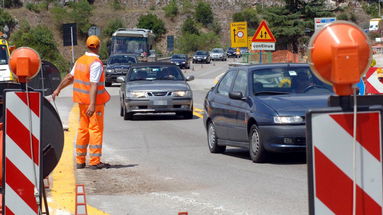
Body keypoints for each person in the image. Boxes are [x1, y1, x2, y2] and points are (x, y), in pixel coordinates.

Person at [52, 35, 111, 170]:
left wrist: (58, 89)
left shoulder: (80, 60)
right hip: (93, 104)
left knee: (83, 129)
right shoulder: (95, 63)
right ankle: (95, 161)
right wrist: (92, 104)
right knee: (95, 129)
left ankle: (80, 160)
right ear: (98, 46)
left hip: (81, 102)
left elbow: (69, 77)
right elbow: (94, 85)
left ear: (87, 45)